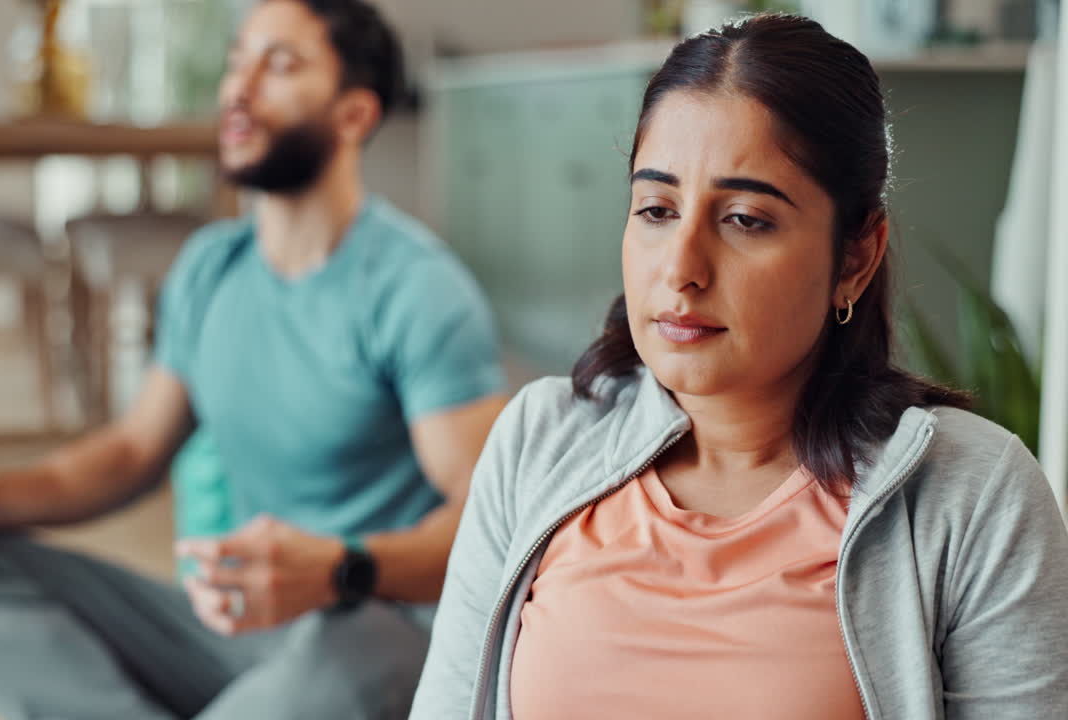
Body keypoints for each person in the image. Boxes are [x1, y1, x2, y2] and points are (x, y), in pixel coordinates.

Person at [411, 13, 1068, 720]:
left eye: (746, 220)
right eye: (657, 209)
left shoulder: (971, 495)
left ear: (856, 257)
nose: (682, 270)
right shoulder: (538, 440)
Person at [0, 1, 508, 718]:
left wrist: (340, 569)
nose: (238, 88)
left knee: (354, 658)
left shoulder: (415, 289)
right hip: (234, 632)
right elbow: (129, 452)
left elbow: (488, 520)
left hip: (370, 632)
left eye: (280, 65)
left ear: (354, 115)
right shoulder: (211, 268)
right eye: (238, 60)